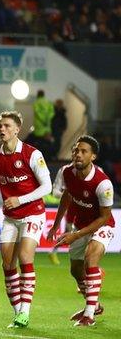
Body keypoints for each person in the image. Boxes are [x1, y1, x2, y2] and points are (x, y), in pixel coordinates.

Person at [0, 111, 52, 328]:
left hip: (33, 213)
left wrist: (20, 199)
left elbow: (47, 187)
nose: (1, 129)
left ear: (17, 129)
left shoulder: (32, 154)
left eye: (6, 126)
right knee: (7, 264)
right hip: (11, 218)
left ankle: (25, 310)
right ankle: (18, 313)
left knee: (25, 257)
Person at [47, 135, 115, 327]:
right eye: (76, 150)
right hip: (80, 226)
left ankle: (89, 315)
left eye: (84, 151)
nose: (78, 154)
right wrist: (55, 225)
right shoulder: (66, 172)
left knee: (90, 259)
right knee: (76, 270)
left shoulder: (103, 183)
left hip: (102, 226)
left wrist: (75, 235)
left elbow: (103, 217)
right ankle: (95, 306)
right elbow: (66, 197)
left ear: (93, 157)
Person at [47, 163, 75, 266]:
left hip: (89, 207)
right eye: (75, 151)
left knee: (71, 231)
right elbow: (55, 192)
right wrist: (68, 195)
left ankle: (53, 251)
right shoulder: (64, 170)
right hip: (71, 206)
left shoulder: (97, 170)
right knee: (72, 230)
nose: (77, 154)